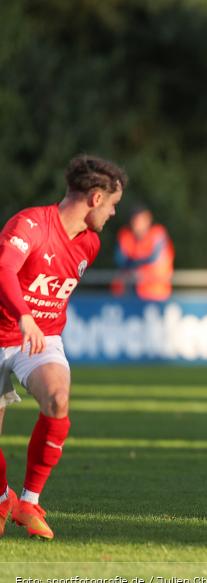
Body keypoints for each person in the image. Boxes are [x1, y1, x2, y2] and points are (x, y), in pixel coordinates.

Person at [0, 154, 126, 540]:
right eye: (113, 204)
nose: (113, 213)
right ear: (95, 198)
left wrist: (32, 322)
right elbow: (4, 269)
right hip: (9, 329)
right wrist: (23, 315)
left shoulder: (90, 244)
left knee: (58, 399)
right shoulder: (31, 224)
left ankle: (29, 501)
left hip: (40, 338)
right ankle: (3, 500)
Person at [112, 204, 173, 301]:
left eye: (140, 220)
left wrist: (135, 265)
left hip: (156, 293)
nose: (137, 224)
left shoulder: (158, 234)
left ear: (148, 219)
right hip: (128, 294)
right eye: (135, 220)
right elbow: (120, 260)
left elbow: (155, 259)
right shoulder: (125, 235)